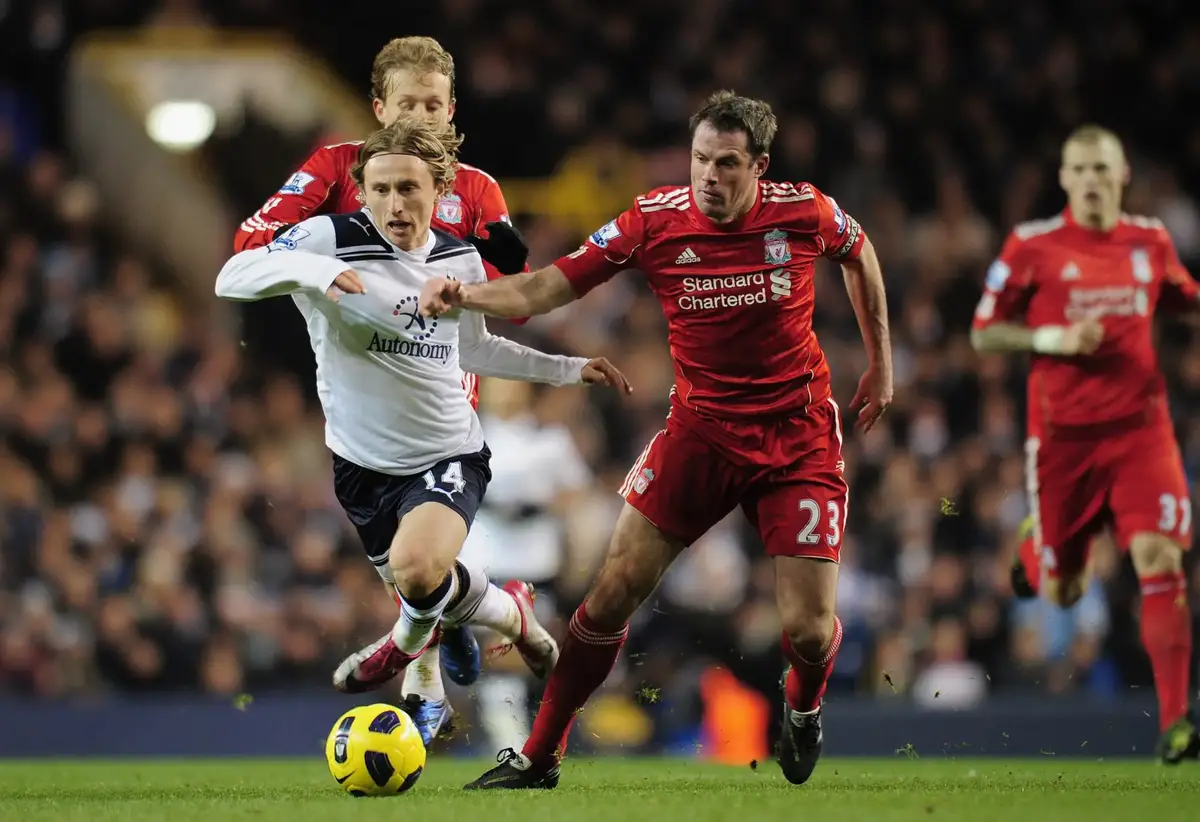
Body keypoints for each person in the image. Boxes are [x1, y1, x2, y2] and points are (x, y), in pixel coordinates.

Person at [420, 90, 894, 788]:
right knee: (610, 594)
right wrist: (469, 296)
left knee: (810, 633)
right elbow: (548, 288)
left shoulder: (804, 211)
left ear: (759, 166)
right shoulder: (653, 220)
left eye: (728, 164)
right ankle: (541, 754)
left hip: (797, 440)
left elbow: (861, 253)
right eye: (702, 158)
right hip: (698, 435)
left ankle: (803, 707)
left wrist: (881, 366)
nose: (710, 175)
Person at [215, 117, 631, 746]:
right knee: (430, 584)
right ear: (362, 190)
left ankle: (400, 651)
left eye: (409, 188)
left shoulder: (459, 258)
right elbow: (231, 276)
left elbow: (478, 352)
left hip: (449, 449)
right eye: (380, 189)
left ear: (438, 190)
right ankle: (510, 610)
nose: (395, 203)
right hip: (360, 466)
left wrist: (567, 371)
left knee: (417, 572)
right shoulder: (327, 237)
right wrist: (313, 274)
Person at [233, 35, 527, 703]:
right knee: (404, 562)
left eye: (434, 106)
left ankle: (423, 690)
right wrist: (326, 264)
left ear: (452, 113)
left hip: (440, 388)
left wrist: (506, 265)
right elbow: (253, 243)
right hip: (360, 381)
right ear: (378, 107)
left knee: (416, 555)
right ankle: (455, 622)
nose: (421, 118)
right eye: (407, 104)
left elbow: (519, 299)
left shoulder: (476, 188)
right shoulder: (338, 167)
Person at [972, 125, 1200, 763]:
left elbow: (1183, 298)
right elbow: (985, 334)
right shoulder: (1032, 245)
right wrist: (1052, 340)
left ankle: (1176, 723)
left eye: (1105, 169)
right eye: (1082, 170)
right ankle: (1037, 543)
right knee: (1066, 591)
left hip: (1141, 435)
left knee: (1161, 559)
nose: (1094, 180)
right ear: (1065, 178)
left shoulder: (1150, 240)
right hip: (1065, 443)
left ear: (1123, 173)